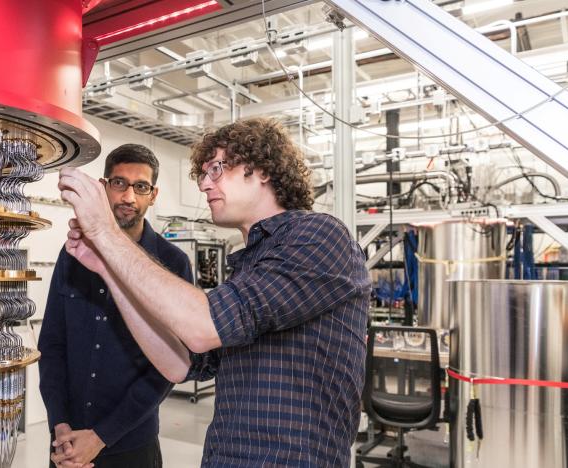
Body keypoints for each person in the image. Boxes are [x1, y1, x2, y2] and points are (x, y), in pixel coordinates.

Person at [56, 118, 371, 467]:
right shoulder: (249, 266)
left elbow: (203, 326)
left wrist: (104, 230)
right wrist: (106, 268)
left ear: (262, 170)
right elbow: (181, 365)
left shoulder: (320, 236)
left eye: (217, 169)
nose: (205, 184)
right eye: (203, 174)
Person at [39, 144, 193, 468]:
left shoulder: (172, 263)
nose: (128, 198)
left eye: (141, 187)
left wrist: (101, 436)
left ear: (154, 194)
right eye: (119, 183)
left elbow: (167, 370)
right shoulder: (73, 254)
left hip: (131, 445)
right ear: (104, 187)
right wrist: (60, 423)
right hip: (66, 445)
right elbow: (52, 345)